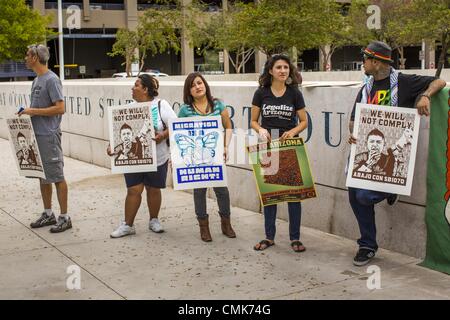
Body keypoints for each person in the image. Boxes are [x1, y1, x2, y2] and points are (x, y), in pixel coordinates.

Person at [348, 41, 446, 266]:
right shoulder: (366, 88)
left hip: (393, 156)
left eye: (364, 59)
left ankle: (392, 188)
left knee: (365, 196)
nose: (362, 64)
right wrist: (352, 133)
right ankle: (367, 245)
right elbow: (354, 119)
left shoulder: (404, 82)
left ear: (375, 61)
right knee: (354, 194)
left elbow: (440, 81)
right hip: (366, 150)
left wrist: (426, 96)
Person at [250, 54, 308, 253]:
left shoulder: (294, 93)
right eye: (278, 67)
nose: (283, 71)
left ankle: (295, 238)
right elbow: (253, 121)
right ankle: (269, 237)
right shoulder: (261, 93)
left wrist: (292, 132)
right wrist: (260, 130)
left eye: (285, 67)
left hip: (289, 144)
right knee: (271, 195)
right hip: (268, 146)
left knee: (293, 196)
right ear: (270, 71)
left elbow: (304, 121)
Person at [107, 74, 177, 238]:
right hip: (134, 159)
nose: (132, 88)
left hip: (158, 157)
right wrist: (112, 147)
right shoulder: (128, 108)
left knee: (153, 189)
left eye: (136, 85)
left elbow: (176, 125)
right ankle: (128, 225)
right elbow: (119, 134)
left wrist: (163, 136)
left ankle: (154, 220)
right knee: (133, 189)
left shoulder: (161, 105)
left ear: (145, 89)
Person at [178, 72, 236, 242]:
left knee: (222, 191)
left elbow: (228, 127)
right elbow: (177, 133)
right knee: (199, 191)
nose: (197, 87)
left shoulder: (218, 105)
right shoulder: (185, 110)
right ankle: (204, 227)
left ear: (205, 84)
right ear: (189, 91)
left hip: (215, 155)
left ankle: (226, 224)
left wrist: (225, 146)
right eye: (193, 85)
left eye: (199, 83)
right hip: (195, 158)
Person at [19, 44, 71, 233]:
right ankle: (48, 213)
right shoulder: (36, 80)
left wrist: (32, 110)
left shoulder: (52, 80)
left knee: (57, 176)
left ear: (34, 57)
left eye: (27, 55)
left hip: (49, 136)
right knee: (43, 176)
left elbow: (60, 108)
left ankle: (65, 217)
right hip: (37, 136)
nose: (25, 58)